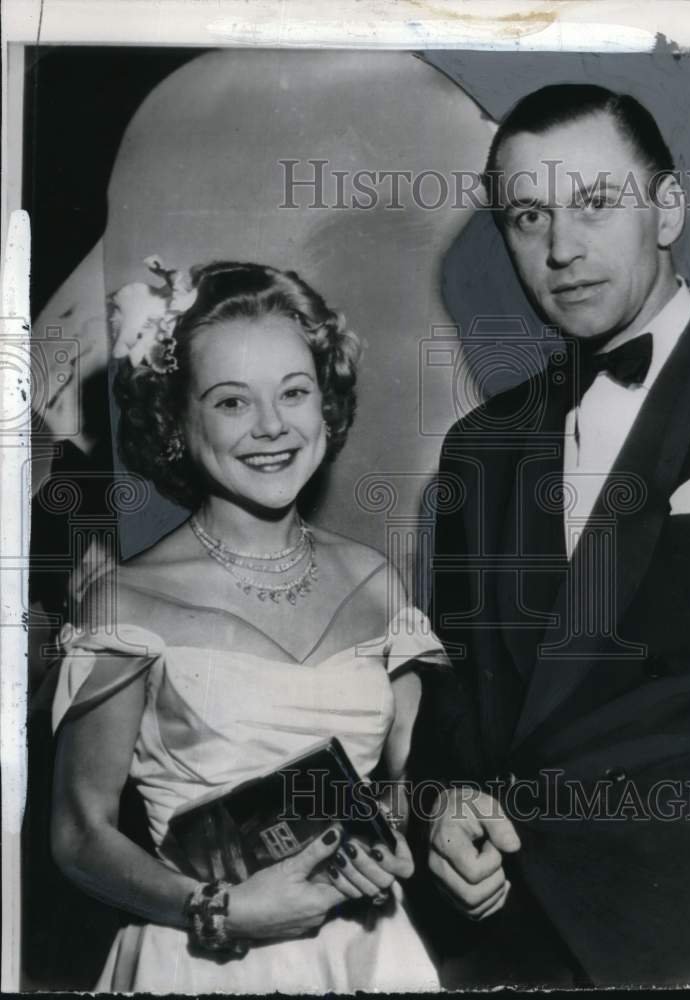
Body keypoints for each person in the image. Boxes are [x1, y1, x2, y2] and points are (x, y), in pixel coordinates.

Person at [409, 85, 690, 987]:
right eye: (528, 216)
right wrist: (441, 805)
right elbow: (455, 697)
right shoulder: (478, 448)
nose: (560, 249)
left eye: (593, 203)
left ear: (666, 211)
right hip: (508, 943)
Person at [50, 258, 445, 993]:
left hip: (367, 953)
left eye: (294, 392)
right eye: (232, 402)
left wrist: (398, 837)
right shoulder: (125, 602)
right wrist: (220, 910)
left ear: (325, 402)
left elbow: (413, 781)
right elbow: (79, 835)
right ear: (176, 419)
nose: (272, 426)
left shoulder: (375, 581)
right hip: (200, 962)